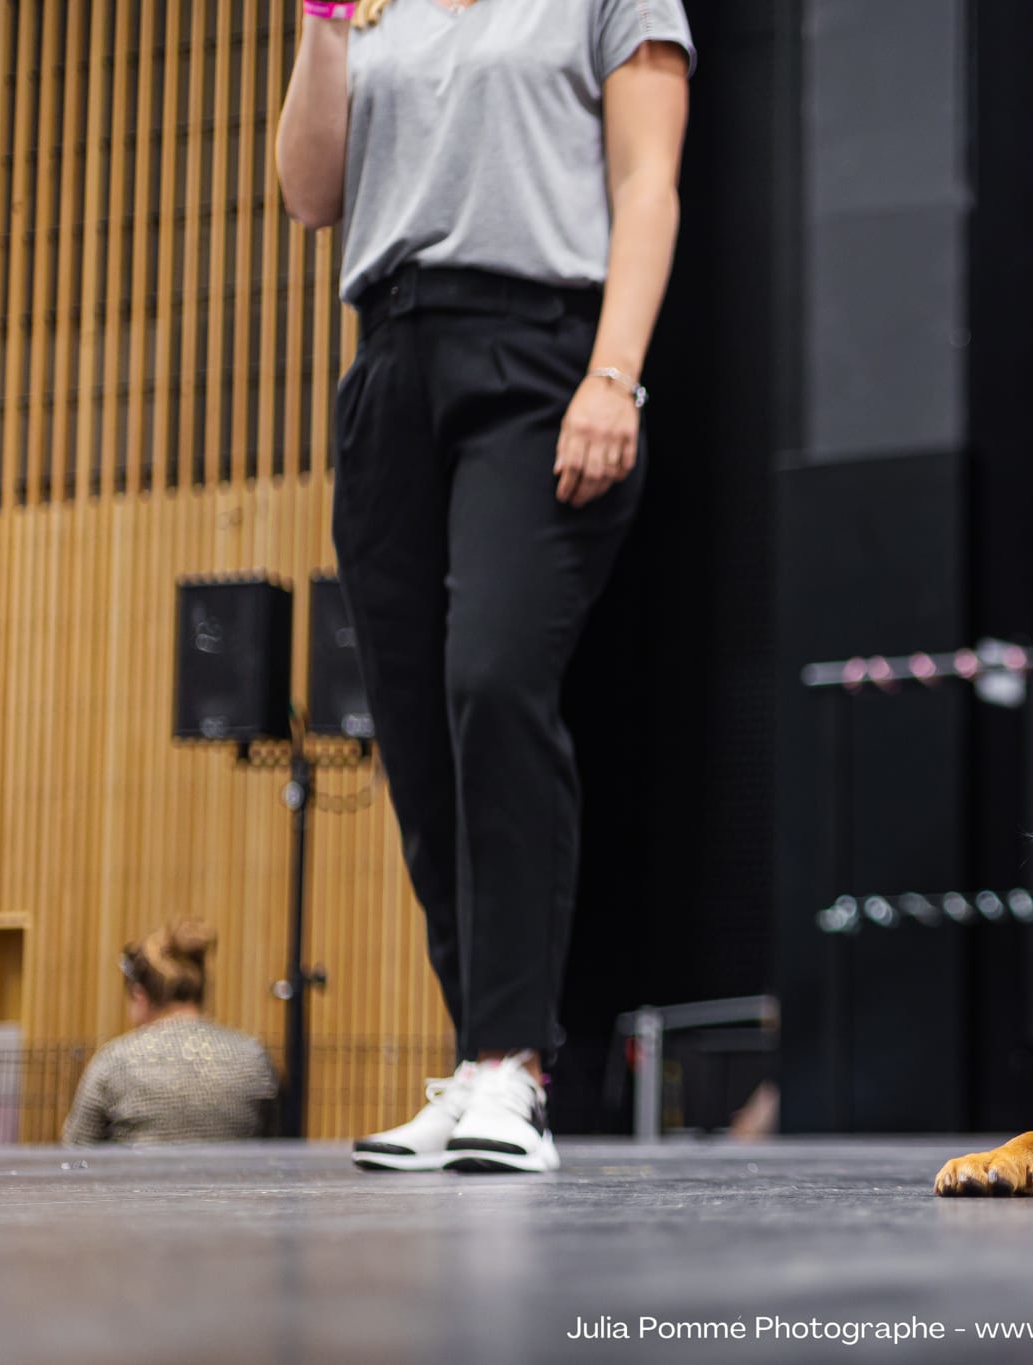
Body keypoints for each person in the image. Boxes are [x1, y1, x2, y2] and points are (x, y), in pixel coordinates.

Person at [276, 0, 694, 1173]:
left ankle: (515, 1067)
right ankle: (474, 1058)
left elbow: (647, 183)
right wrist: (321, 27)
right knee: (411, 728)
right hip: (389, 363)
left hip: (539, 356)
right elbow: (312, 196)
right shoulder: (377, 12)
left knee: (493, 682)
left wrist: (615, 376)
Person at [63, 924, 278, 1146]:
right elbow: (276, 1148)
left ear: (139, 995)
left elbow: (76, 1156)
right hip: (233, 1180)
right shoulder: (252, 1059)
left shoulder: (115, 1063)